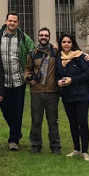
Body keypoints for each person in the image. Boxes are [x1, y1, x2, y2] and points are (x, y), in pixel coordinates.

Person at [0, 12, 34, 150]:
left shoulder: (23, 37)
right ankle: (17, 131)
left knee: (18, 110)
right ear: (6, 21)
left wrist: (52, 49)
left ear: (18, 23)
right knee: (5, 109)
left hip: (18, 79)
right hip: (2, 81)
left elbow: (33, 50)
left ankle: (13, 139)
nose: (12, 23)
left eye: (15, 21)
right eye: (10, 21)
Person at [56, 32, 89, 162]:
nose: (66, 44)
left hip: (82, 95)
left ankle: (85, 151)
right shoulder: (58, 58)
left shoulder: (80, 56)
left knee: (82, 123)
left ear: (73, 43)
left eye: (69, 42)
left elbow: (88, 74)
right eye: (64, 42)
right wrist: (58, 82)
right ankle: (76, 149)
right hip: (68, 96)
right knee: (72, 123)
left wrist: (72, 80)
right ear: (60, 44)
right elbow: (57, 74)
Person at [24, 27, 62, 155]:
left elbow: (71, 52)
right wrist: (28, 78)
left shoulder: (56, 51)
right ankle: (35, 144)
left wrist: (85, 55)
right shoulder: (33, 52)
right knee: (36, 120)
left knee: (53, 120)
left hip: (52, 91)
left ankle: (55, 145)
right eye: (41, 35)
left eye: (46, 35)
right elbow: (27, 68)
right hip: (36, 91)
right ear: (38, 37)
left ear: (50, 37)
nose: (44, 37)